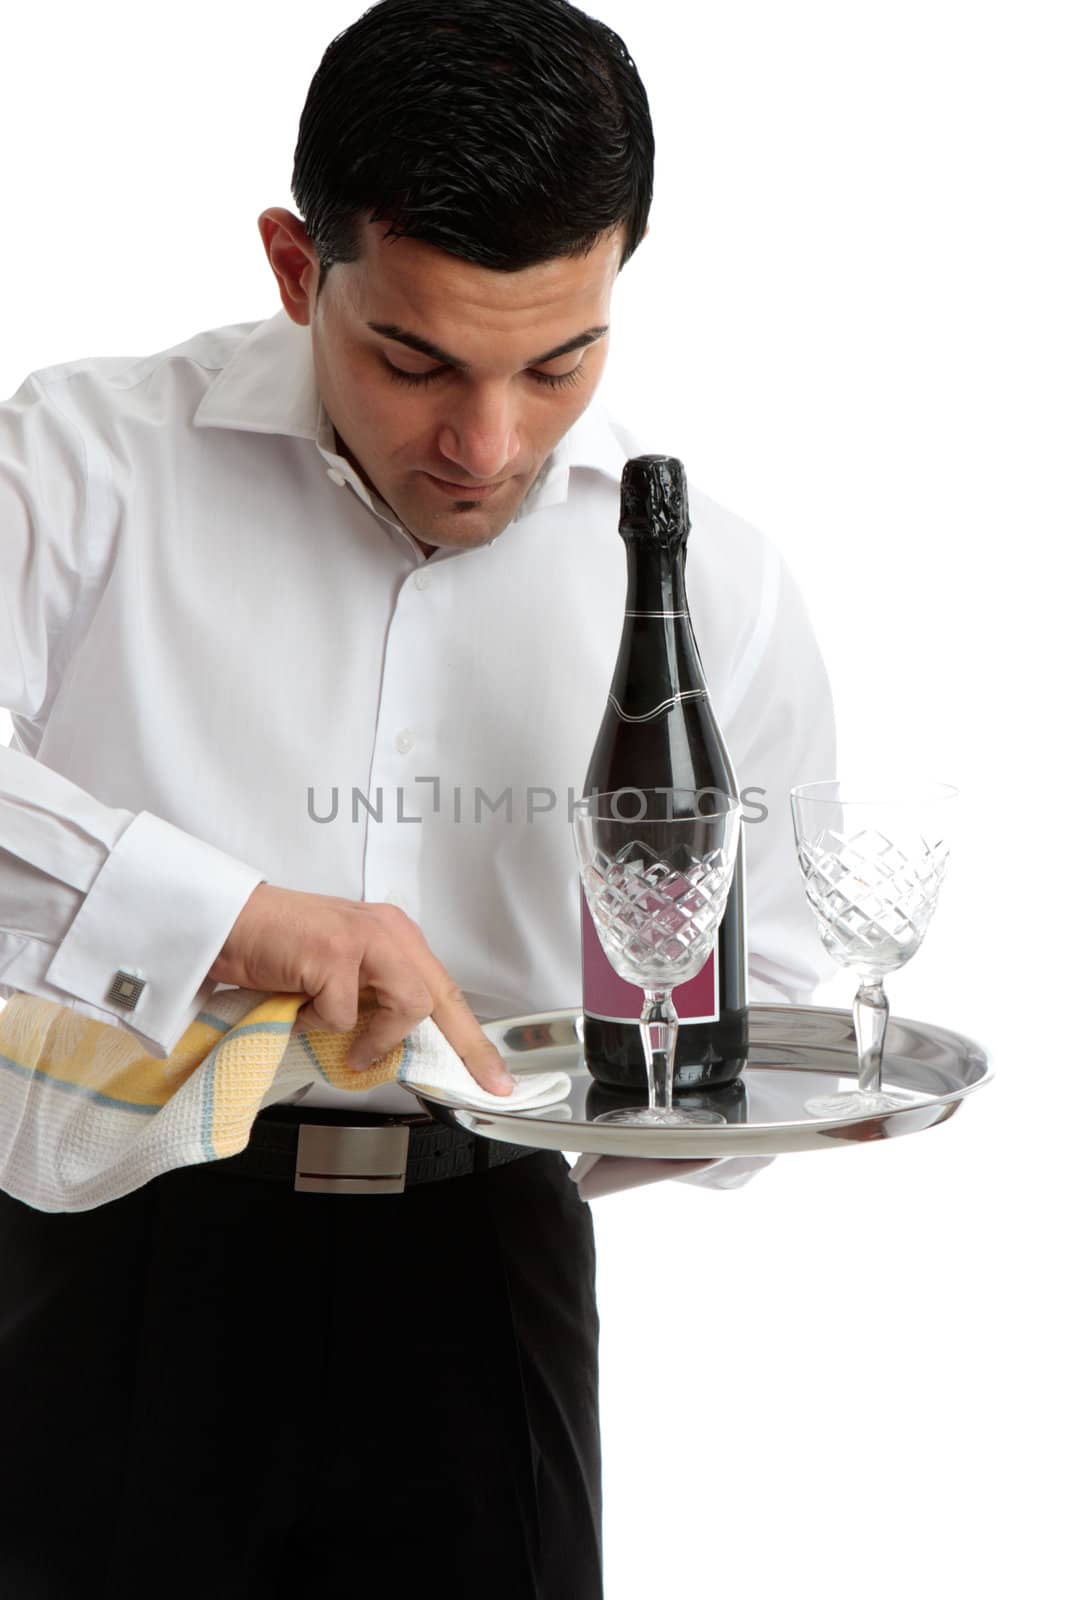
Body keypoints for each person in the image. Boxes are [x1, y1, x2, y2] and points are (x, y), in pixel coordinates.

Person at [0, 0, 835, 1593]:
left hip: (489, 1273)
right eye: (416, 358)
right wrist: (236, 923)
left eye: (561, 361)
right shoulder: (81, 462)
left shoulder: (710, 580)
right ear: (298, 268)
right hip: (117, 1247)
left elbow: (772, 1001)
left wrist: (671, 1081)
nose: (487, 442)